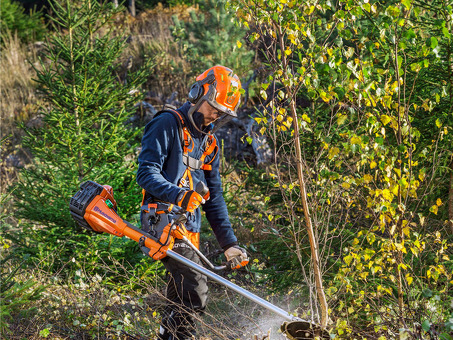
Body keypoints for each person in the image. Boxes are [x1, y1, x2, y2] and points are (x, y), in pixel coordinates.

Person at [136, 65, 249, 340]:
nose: (216, 115)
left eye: (222, 112)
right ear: (198, 92)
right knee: (196, 289)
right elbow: (145, 172)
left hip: (189, 230)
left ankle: (168, 336)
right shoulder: (167, 124)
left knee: (178, 295)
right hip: (161, 220)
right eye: (214, 107)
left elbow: (214, 198)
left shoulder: (210, 143)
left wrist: (230, 244)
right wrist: (178, 195)